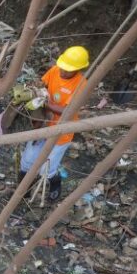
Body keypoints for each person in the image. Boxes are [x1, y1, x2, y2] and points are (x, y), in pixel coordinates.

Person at [19, 46, 89, 200]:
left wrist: (45, 103)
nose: (63, 71)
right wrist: (34, 89)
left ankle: (55, 182)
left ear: (78, 69)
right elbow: (41, 84)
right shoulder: (55, 70)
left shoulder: (81, 85)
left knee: (46, 168)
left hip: (61, 132)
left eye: (68, 70)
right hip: (44, 123)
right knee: (28, 160)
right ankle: (22, 192)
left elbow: (66, 111)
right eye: (62, 67)